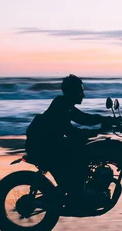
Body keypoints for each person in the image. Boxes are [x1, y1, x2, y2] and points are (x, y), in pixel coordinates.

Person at [25, 74, 117, 202]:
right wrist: (97, 131)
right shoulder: (60, 106)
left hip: (50, 144)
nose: (83, 95)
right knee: (81, 154)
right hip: (43, 147)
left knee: (84, 151)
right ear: (72, 92)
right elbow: (72, 132)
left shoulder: (66, 105)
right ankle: (79, 194)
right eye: (80, 92)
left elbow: (84, 118)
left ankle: (82, 189)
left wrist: (109, 120)